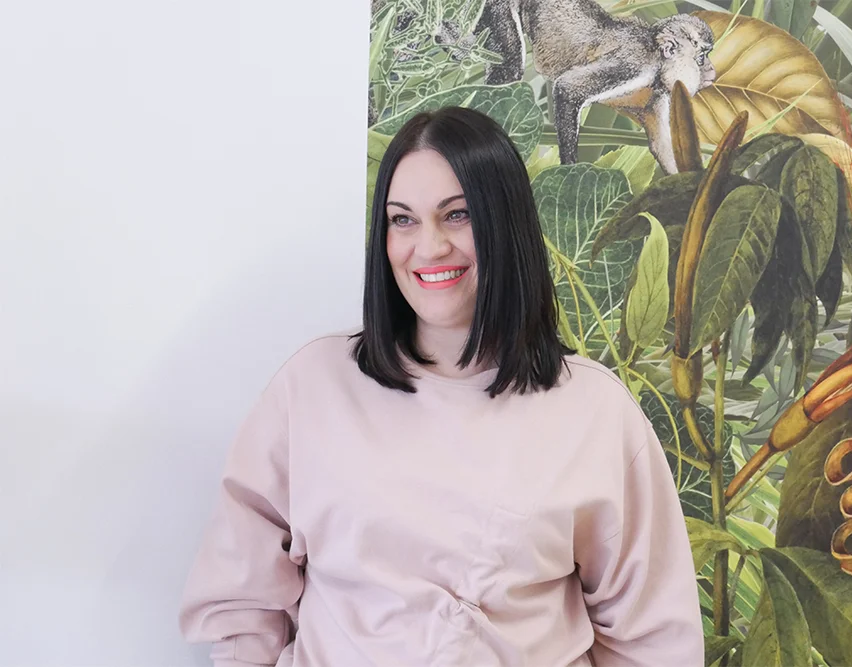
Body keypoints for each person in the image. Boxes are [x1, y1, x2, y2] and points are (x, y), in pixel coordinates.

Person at [178, 106, 704, 666]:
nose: (427, 248)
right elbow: (243, 600)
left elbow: (653, 642)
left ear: (505, 224)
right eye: (402, 219)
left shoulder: (596, 413)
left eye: (456, 215)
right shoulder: (312, 386)